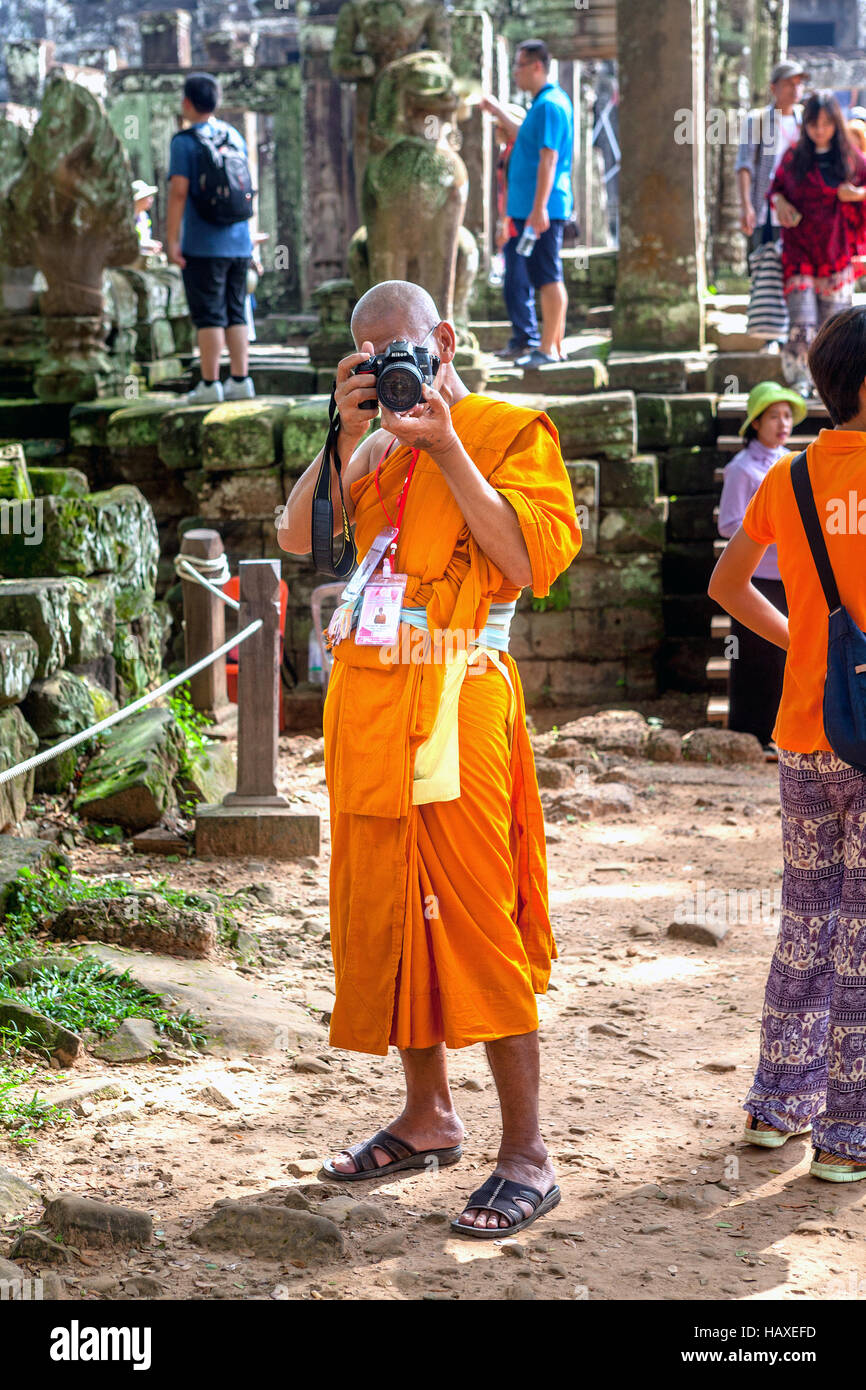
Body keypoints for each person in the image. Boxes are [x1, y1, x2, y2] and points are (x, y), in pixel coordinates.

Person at [277, 279, 581, 1235]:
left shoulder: (504, 430)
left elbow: (529, 562)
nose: (388, 370)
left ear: (441, 340)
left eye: (399, 351)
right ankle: (427, 1114)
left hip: (459, 691)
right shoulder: (368, 447)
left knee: (475, 913)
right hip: (371, 703)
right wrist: (340, 427)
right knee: (393, 906)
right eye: (369, 358)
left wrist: (444, 442)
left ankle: (527, 1151)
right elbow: (298, 539)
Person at [708, 306, 866, 1182]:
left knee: (807, 920)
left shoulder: (792, 478)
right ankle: (848, 1138)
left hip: (805, 733)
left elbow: (728, 582)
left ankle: (778, 1107)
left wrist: (805, 642)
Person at [717, 382, 806, 749]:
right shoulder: (742, 468)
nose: (782, 423)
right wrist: (772, 532)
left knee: (785, 660)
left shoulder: (792, 463)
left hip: (789, 577)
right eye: (774, 416)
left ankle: (779, 733)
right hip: (755, 582)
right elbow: (727, 523)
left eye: (787, 416)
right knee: (753, 657)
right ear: (756, 423)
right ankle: (747, 736)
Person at [480, 40, 573, 368]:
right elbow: (524, 136)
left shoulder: (550, 105)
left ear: (537, 66)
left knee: (548, 276)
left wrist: (539, 207)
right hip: (528, 208)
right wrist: (496, 110)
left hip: (541, 208)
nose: (516, 73)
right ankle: (552, 346)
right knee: (541, 275)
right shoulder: (541, 105)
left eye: (519, 66)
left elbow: (549, 157)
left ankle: (548, 348)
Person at [166, 71, 256, 404]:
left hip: (203, 245)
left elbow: (178, 192)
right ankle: (240, 379)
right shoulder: (232, 135)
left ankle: (209, 383)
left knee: (209, 314)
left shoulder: (184, 142)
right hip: (239, 241)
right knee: (236, 311)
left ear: (187, 102)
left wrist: (172, 239)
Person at [771, 91, 866, 396]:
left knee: (835, 327)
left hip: (837, 253)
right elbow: (776, 189)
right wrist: (780, 202)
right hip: (799, 251)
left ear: (836, 123)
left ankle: (831, 388)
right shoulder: (793, 156)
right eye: (814, 123)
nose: (820, 129)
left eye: (826, 123)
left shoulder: (851, 158)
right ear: (806, 125)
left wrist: (857, 195)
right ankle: (800, 382)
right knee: (802, 321)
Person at [736, 60, 806, 352]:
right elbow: (745, 165)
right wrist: (746, 206)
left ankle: (796, 327)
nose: (795, 88)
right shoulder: (758, 121)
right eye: (789, 83)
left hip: (799, 211)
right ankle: (770, 333)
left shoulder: (806, 121)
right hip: (767, 209)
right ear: (774, 88)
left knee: (797, 268)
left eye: (799, 83)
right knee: (768, 267)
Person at [131, 179, 162, 257]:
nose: (151, 199)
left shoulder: (144, 217)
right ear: (139, 199)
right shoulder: (128, 217)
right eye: (148, 196)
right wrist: (148, 245)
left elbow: (144, 239)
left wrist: (152, 244)